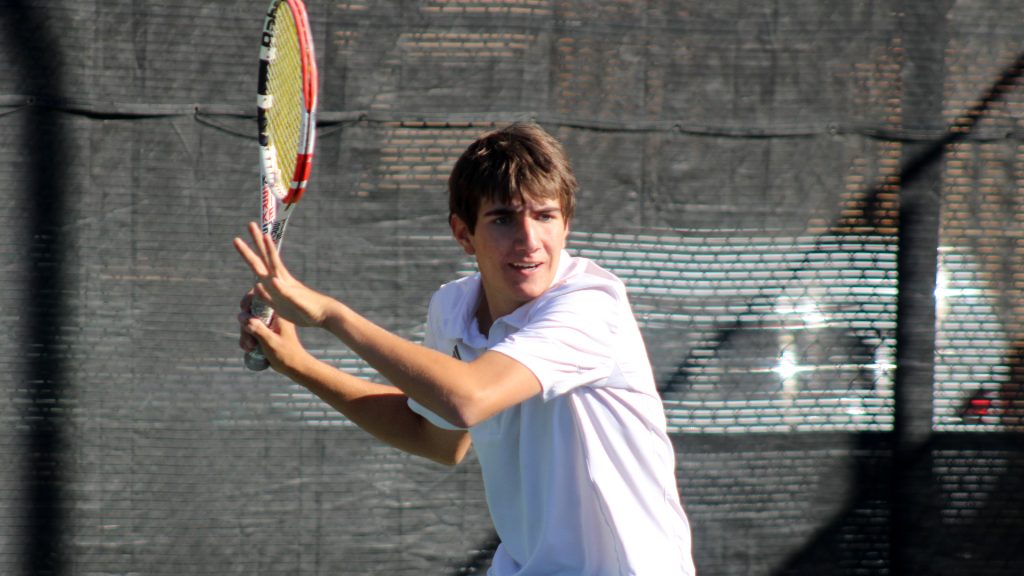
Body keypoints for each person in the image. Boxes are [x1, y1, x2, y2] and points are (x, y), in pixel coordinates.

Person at [235, 123, 696, 575]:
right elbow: (433, 437)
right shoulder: (453, 308)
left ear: (565, 224)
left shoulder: (591, 308)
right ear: (463, 234)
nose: (529, 240)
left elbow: (468, 399)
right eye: (503, 219)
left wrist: (331, 316)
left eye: (544, 215)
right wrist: (300, 365)